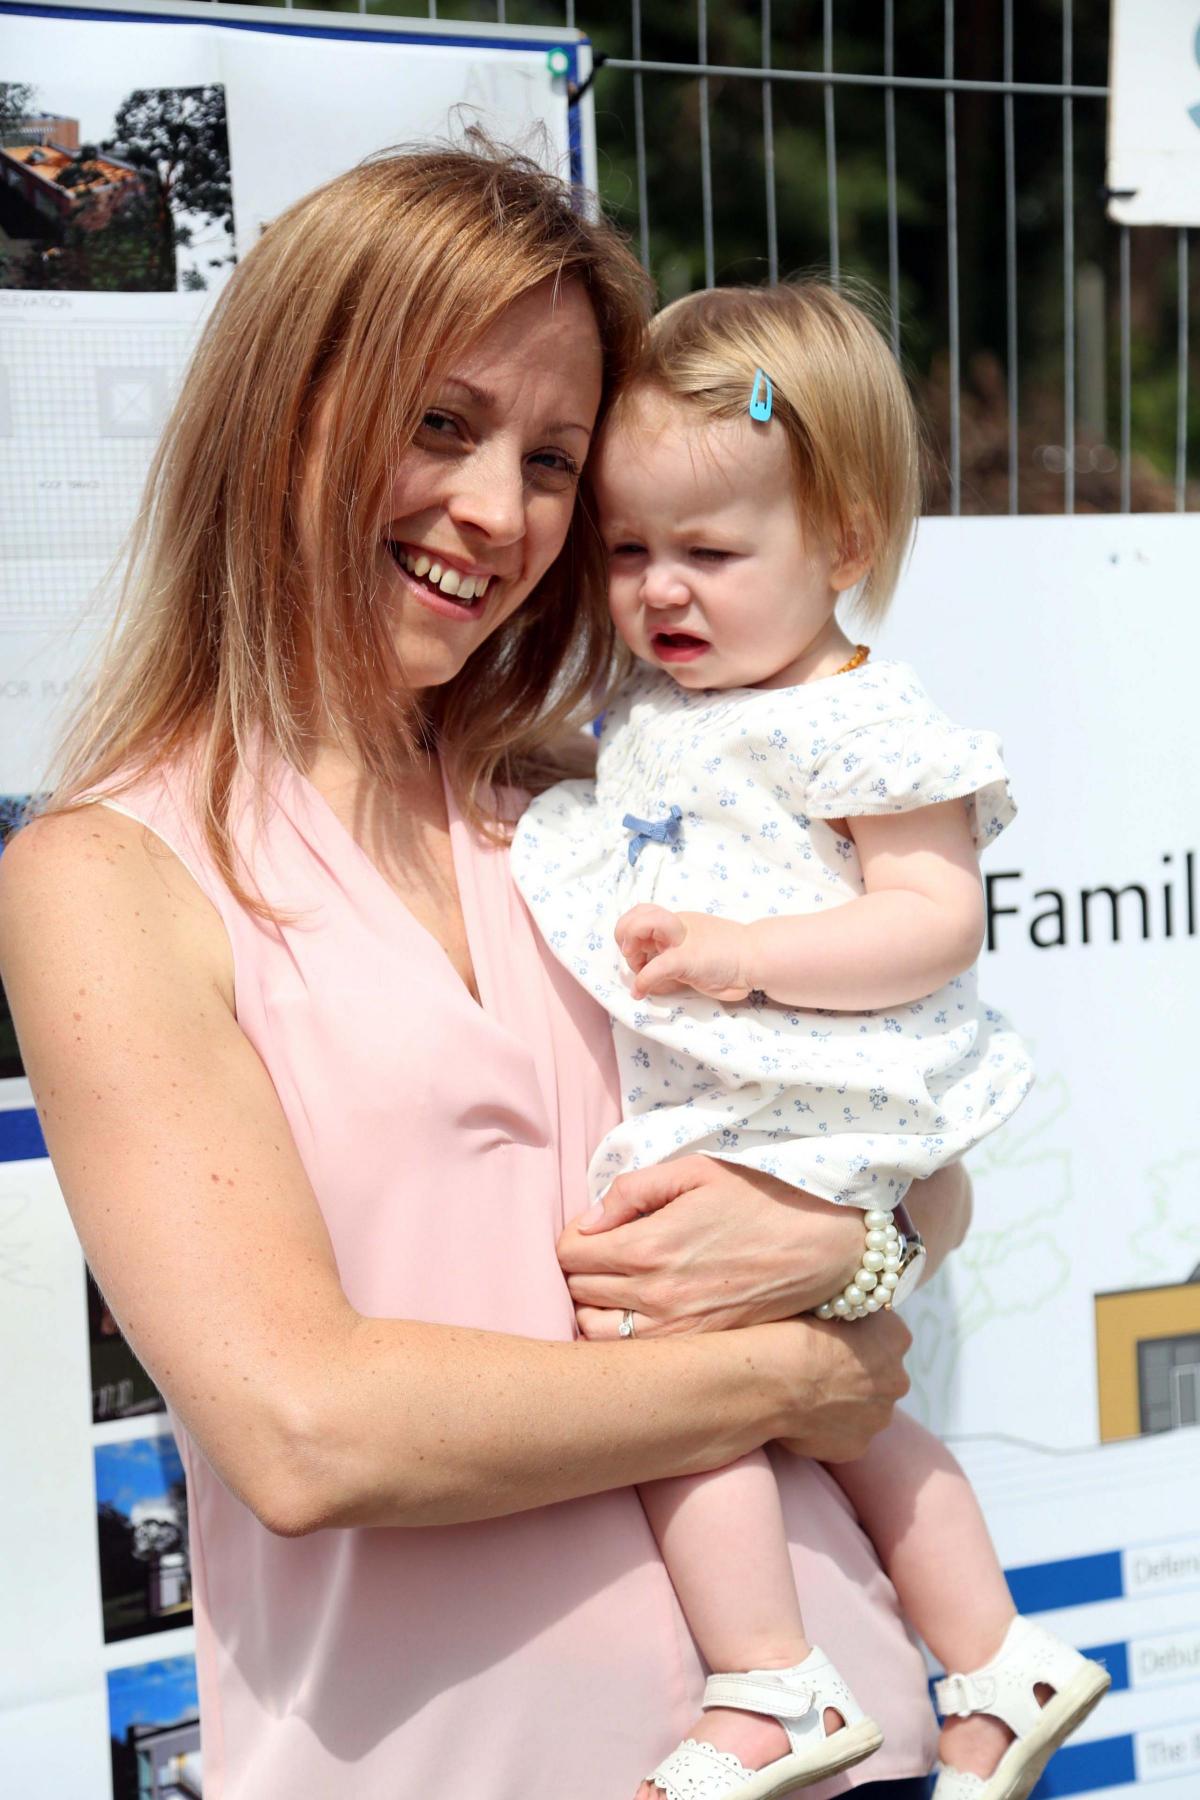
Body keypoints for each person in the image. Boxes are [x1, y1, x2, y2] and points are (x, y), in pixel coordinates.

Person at [0, 146, 949, 1800]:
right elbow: (312, 1431)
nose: (496, 515)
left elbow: (913, 1136)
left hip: (853, 1742)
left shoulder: (602, 816)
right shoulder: (109, 877)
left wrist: (854, 1242)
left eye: (552, 460)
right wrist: (789, 1367)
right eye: (440, 426)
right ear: (282, 410)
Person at [512, 282, 1110, 1800]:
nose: (663, 592)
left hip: (819, 1104)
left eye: (713, 553)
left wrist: (747, 958)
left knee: (665, 1379)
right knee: (845, 1410)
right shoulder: (662, 705)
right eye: (631, 552)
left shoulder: (860, 715)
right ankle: (994, 1656)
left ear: (842, 545)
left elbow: (932, 918)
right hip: (745, 1109)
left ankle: (774, 1687)